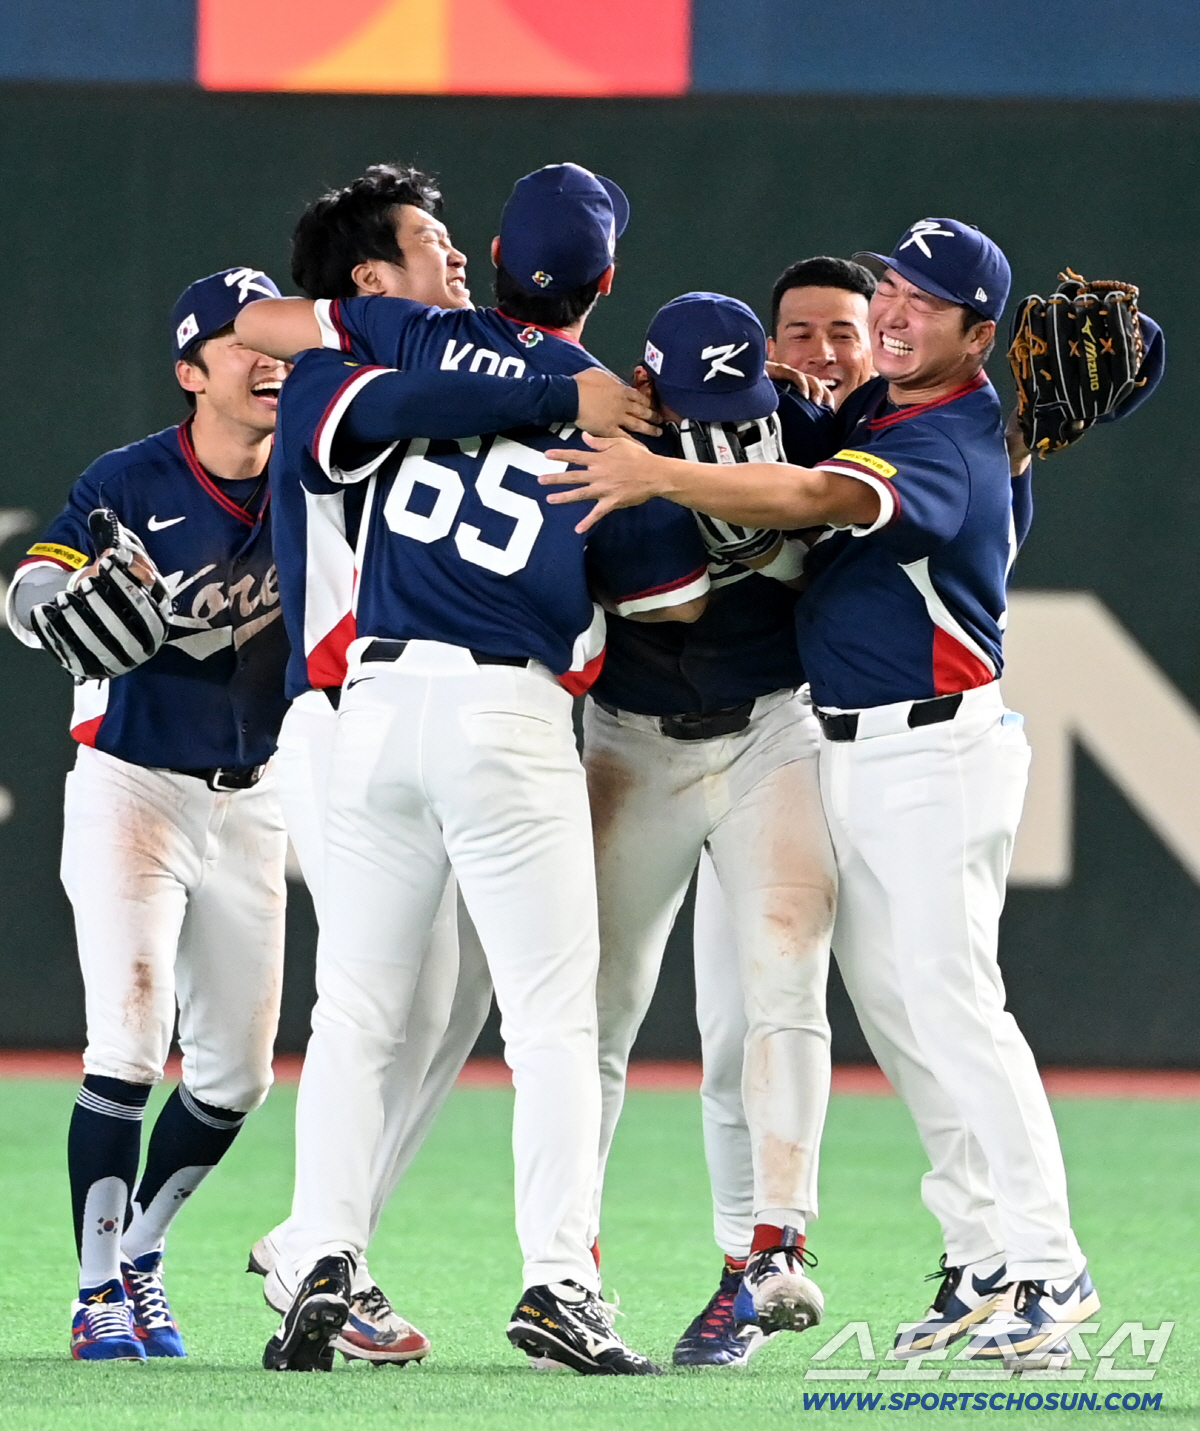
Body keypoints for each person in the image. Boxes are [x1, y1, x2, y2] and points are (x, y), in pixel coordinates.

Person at [542, 218, 1107, 1369]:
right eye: (893, 283)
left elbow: (821, 501)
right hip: (859, 748)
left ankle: (1053, 1266)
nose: (898, 310)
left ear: (979, 334)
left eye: (925, 300)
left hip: (934, 750)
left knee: (954, 1011)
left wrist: (658, 474)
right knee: (905, 1020)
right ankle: (984, 1264)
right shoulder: (893, 412)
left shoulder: (946, 431)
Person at [240, 163, 706, 1375]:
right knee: (549, 1021)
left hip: (384, 707)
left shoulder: (404, 352)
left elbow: (321, 362)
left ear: (495, 254)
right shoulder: (596, 404)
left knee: (358, 1014)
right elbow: (676, 593)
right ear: (602, 284)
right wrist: (622, 421)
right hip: (492, 711)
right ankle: (558, 1281)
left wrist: (523, 382)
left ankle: (325, 1251)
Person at [6, 269, 291, 1361]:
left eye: (278, 339)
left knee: (237, 1077)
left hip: (252, 795)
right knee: (127, 1042)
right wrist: (51, 608)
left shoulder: (318, 470)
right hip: (134, 785)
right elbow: (36, 580)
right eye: (240, 344)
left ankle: (142, 1255)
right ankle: (93, 1295)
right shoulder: (131, 478)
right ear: (191, 372)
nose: (268, 359)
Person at [584, 291, 837, 1368]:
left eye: (747, 402)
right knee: (590, 1018)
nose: (734, 422)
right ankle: (567, 1274)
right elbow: (664, 600)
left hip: (772, 727)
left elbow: (847, 490)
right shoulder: (602, 443)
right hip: (630, 741)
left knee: (781, 988)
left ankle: (770, 1251)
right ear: (651, 394)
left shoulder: (812, 421)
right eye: (704, 407)